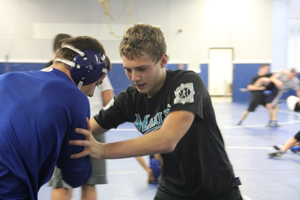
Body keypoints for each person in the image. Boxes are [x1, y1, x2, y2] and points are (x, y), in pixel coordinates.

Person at [70, 23, 243, 200]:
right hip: (172, 189)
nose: (134, 78)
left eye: (142, 69)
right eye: (128, 70)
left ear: (163, 60)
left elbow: (167, 139)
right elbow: (85, 129)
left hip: (217, 191)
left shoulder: (187, 83)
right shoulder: (129, 99)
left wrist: (102, 150)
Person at [0, 35, 111, 200]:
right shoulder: (75, 98)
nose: (93, 92)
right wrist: (88, 152)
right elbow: (75, 175)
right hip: (10, 190)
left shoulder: (6, 79)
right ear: (88, 69)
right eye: (97, 83)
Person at [49, 55, 114, 200]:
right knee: (90, 183)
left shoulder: (56, 72)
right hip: (94, 125)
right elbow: (109, 101)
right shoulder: (97, 70)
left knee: (61, 183)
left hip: (68, 127)